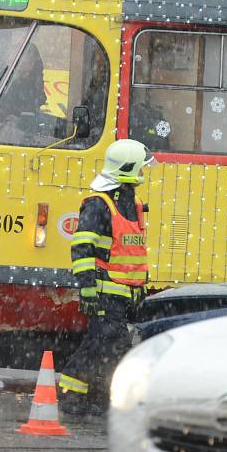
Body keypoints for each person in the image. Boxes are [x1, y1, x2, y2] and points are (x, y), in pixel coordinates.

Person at [59, 139, 154, 415]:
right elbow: (82, 247)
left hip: (123, 293)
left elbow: (132, 251)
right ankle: (71, 397)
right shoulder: (98, 205)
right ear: (128, 170)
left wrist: (139, 286)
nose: (143, 173)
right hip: (103, 292)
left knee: (111, 346)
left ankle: (97, 399)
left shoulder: (132, 204)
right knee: (102, 344)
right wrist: (87, 288)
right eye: (141, 167)